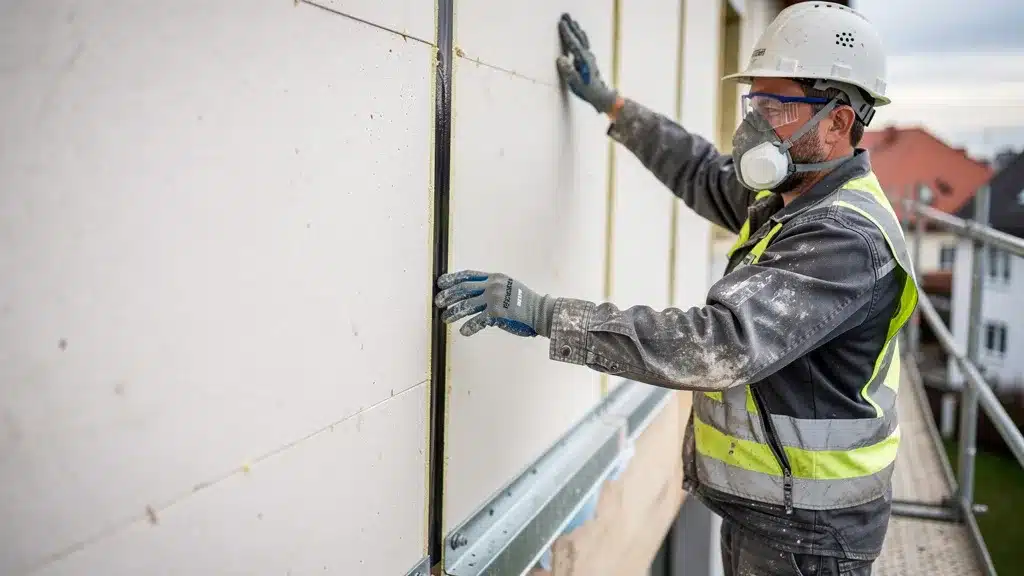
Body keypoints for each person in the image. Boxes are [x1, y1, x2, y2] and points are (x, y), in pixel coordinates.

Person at [433, 3, 917, 575]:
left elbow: (719, 345)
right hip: (772, 511)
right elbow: (704, 172)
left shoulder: (842, 237)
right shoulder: (794, 193)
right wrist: (613, 105)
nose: (755, 126)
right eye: (754, 102)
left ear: (839, 122)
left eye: (778, 106)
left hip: (811, 536)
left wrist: (547, 314)